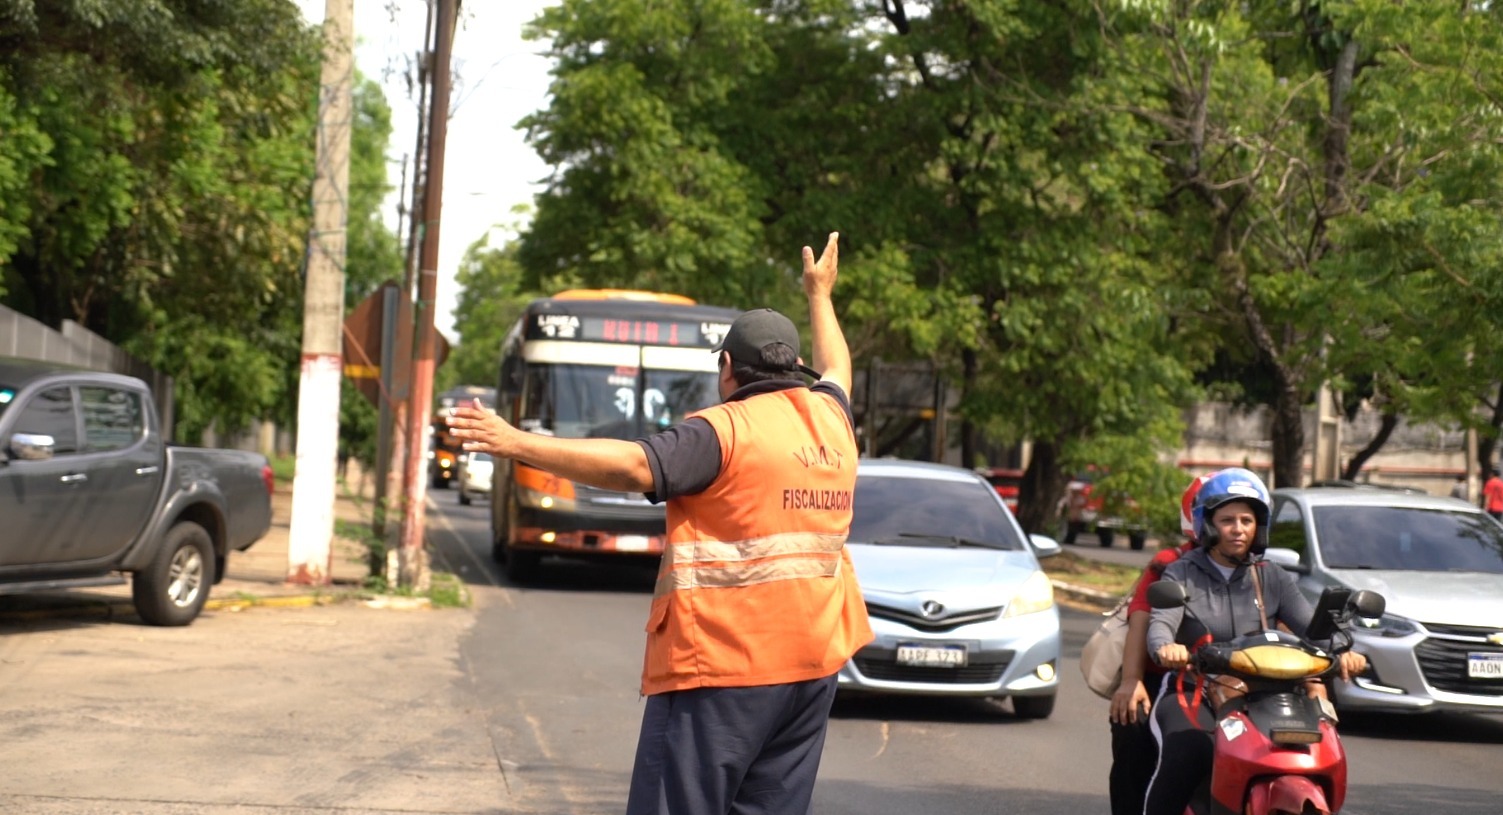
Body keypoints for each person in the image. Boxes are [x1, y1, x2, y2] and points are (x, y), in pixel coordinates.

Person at [447, 232, 872, 815]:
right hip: (813, 667)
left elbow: (630, 464)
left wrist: (517, 441)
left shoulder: (724, 430)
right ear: (794, 368)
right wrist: (819, 294)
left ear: (728, 368)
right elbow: (838, 366)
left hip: (725, 667)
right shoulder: (831, 418)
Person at [1141, 468, 1367, 815]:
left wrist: (1344, 650)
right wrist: (1166, 648)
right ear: (1207, 524)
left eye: (1247, 519)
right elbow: (1160, 625)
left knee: (1313, 750)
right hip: (1194, 690)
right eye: (1227, 519)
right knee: (1189, 751)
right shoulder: (1182, 572)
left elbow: (1312, 629)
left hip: (1265, 692)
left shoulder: (1271, 575)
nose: (1238, 528)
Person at [1106, 471, 1213, 815]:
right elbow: (1141, 619)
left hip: (1231, 681)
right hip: (1165, 678)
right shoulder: (1170, 564)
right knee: (1133, 724)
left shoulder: (1262, 572)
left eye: (1245, 516)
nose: (1235, 527)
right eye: (1221, 514)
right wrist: (1132, 681)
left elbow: (1286, 626)